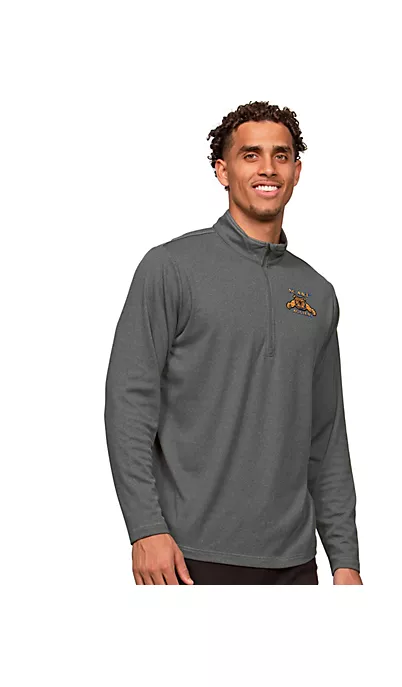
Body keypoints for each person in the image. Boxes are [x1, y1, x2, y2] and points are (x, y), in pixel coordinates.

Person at [104, 100, 362, 585]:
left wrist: (344, 560)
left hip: (294, 565)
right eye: (250, 155)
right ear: (223, 171)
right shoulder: (170, 268)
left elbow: (326, 436)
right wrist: (145, 528)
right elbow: (129, 405)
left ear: (297, 171)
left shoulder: (318, 293)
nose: (268, 168)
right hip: (186, 556)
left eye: (281, 155)